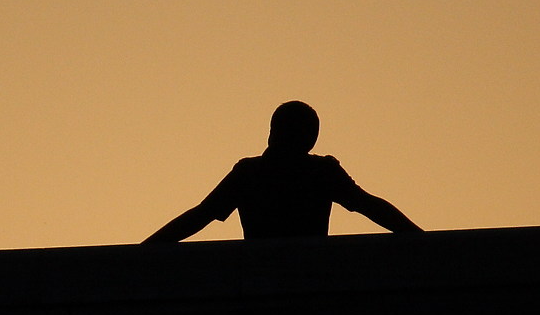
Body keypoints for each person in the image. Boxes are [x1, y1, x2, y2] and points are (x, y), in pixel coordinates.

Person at [144, 101, 423, 242]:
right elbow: (369, 205)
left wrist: (145, 250)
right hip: (300, 279)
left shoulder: (251, 173)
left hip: (269, 280)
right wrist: (420, 239)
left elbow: (200, 215)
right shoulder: (319, 171)